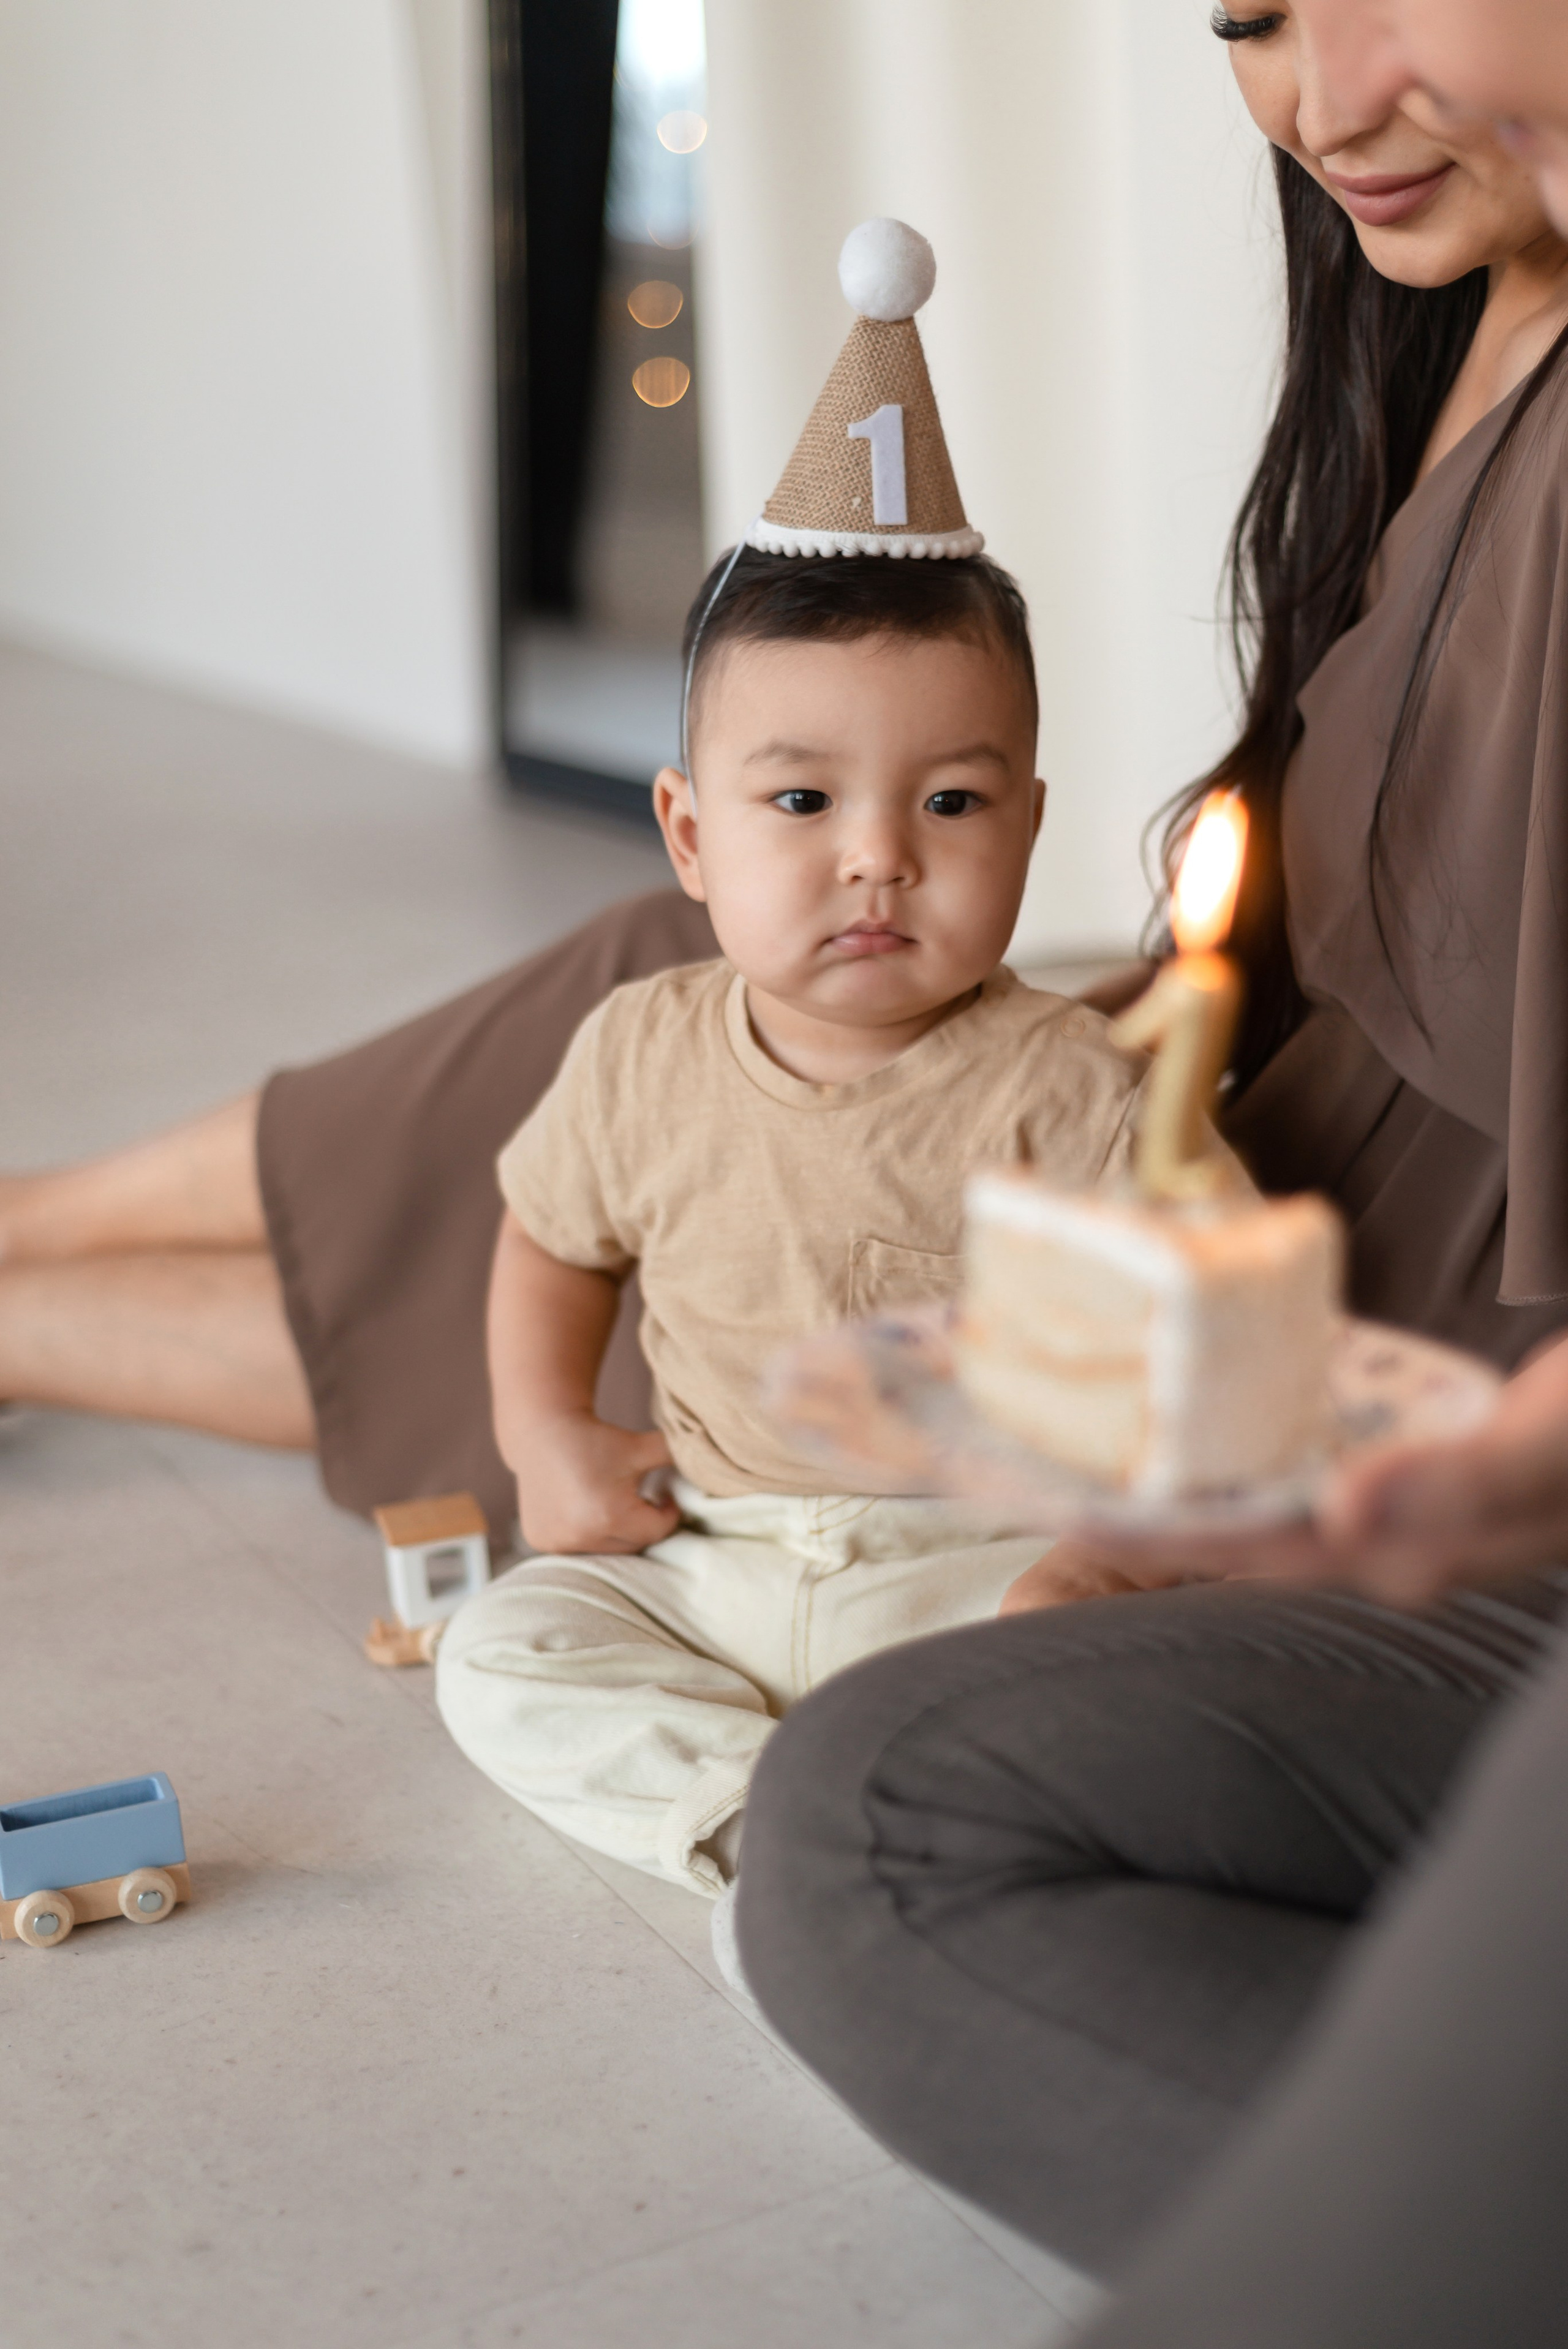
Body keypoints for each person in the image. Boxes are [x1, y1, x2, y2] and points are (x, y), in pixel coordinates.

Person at [734, 0, 1568, 2306]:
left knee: (878, 1818)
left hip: (1440, 1392)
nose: (1315, 105)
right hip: (1315, 1263)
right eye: (1248, 20)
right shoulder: (1462, 330)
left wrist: (1372, 1504)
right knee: (730, 997)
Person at [429, 225, 1180, 1908]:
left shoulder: (1074, 1088)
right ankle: (767, 1822)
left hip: (970, 1565)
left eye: (953, 802)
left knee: (1121, 1687)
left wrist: (1110, 1561)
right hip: (714, 1553)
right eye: (801, 800)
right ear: (688, 834)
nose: (878, 859)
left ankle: (904, 1792)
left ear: (1032, 826)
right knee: (506, 1650)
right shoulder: (639, 1050)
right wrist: (547, 1429)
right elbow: (553, 1237)